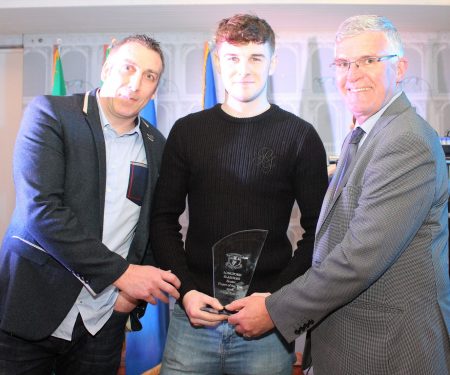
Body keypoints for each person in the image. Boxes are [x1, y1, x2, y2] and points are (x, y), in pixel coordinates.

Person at [227, 14, 450, 375]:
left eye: (369, 60)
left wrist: (275, 310)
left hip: (388, 348)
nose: (354, 73)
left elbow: (359, 257)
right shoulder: (363, 133)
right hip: (352, 340)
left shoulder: (405, 141)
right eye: (344, 63)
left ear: (400, 67)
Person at [151, 13, 328, 375]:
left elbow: (320, 232)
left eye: (256, 58)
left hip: (266, 323)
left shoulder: (301, 136)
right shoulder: (187, 132)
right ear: (218, 61)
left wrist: (275, 301)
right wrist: (185, 291)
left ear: (273, 63)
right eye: (232, 57)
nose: (243, 69)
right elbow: (162, 219)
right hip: (194, 317)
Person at [0, 34, 181, 374]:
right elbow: (42, 211)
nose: (136, 83)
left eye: (149, 76)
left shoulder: (157, 145)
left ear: (155, 88)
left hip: (102, 323)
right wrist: (124, 274)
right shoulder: (51, 114)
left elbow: (153, 226)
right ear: (106, 68)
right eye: (128, 68)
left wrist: (130, 299)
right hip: (31, 311)